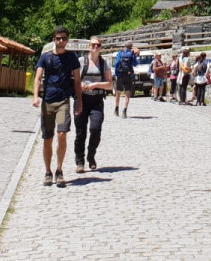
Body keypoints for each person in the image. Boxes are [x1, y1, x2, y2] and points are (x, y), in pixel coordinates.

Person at [31, 26, 82, 187]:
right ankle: (48, 171)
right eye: (58, 38)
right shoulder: (45, 58)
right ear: (54, 39)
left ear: (67, 40)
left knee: (61, 134)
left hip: (63, 102)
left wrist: (79, 101)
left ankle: (59, 170)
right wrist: (35, 97)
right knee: (47, 138)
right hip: (47, 102)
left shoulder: (72, 57)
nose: (61, 41)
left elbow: (77, 81)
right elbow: (38, 78)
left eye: (64, 38)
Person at [74, 37, 112, 173]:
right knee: (80, 132)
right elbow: (73, 80)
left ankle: (91, 155)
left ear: (101, 47)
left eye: (98, 45)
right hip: (81, 99)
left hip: (96, 100)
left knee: (95, 129)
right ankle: (79, 161)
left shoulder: (104, 64)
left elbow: (109, 84)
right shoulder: (80, 62)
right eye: (93, 44)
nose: (95, 47)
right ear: (89, 46)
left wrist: (95, 85)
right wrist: (81, 85)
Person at [113, 41, 137, 118]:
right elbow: (135, 64)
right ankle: (124, 111)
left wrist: (116, 73)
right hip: (128, 75)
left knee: (118, 93)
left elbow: (116, 63)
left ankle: (116, 109)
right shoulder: (132, 53)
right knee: (127, 93)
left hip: (120, 75)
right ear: (131, 46)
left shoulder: (120, 53)